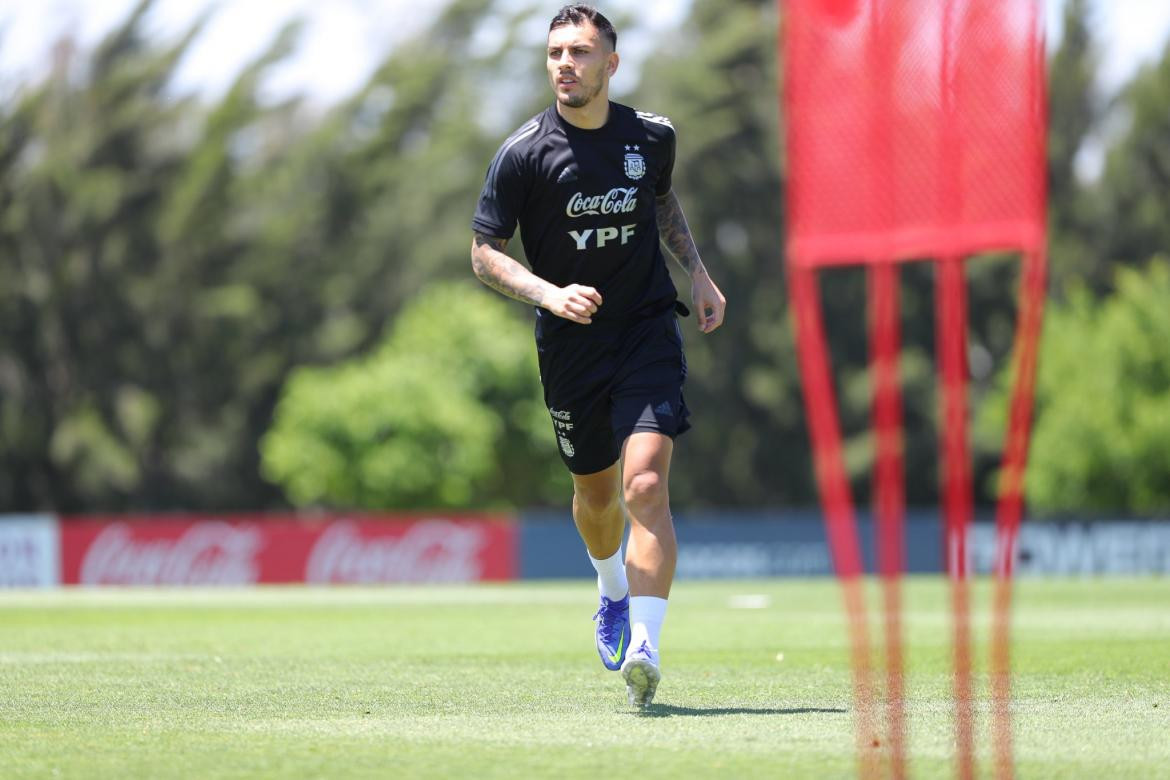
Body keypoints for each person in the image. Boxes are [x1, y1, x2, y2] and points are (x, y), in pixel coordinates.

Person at [470, 4, 725, 709]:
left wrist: (697, 272)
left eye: (580, 52)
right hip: (570, 345)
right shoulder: (523, 154)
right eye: (556, 52)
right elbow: (484, 253)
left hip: (646, 327)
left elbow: (663, 201)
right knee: (596, 495)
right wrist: (548, 295)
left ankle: (645, 645)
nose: (565, 64)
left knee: (645, 485)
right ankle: (611, 589)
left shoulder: (651, 137)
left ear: (610, 64)